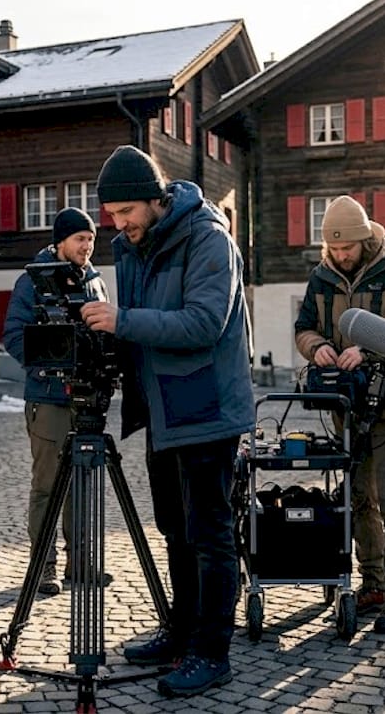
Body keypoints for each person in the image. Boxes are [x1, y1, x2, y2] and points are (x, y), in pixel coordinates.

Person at [80, 145, 253, 697]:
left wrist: (122, 319)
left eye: (127, 212)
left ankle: (211, 652)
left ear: (156, 200)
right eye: (112, 215)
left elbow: (203, 323)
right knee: (175, 530)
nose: (119, 223)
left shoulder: (208, 239)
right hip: (163, 412)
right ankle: (181, 632)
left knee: (210, 534)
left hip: (207, 410)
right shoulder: (133, 246)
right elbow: (134, 334)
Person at [293, 194, 385, 635]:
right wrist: (319, 348)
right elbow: (304, 328)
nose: (340, 256)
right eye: (333, 249)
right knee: (358, 500)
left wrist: (367, 346)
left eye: (347, 249)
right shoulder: (321, 276)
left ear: (364, 240)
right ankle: (372, 583)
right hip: (348, 406)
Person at [1, 207, 111, 597]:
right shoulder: (32, 281)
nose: (87, 246)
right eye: (80, 239)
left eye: (91, 239)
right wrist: (49, 362)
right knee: (48, 487)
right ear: (61, 241)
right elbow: (13, 335)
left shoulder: (96, 283)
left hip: (88, 399)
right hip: (48, 400)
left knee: (83, 485)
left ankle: (80, 564)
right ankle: (43, 567)